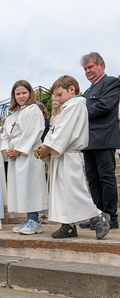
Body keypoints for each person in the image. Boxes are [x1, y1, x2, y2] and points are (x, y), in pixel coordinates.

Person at [37, 75, 110, 239]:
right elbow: (57, 129)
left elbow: (65, 129)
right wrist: (48, 145)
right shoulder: (68, 106)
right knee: (62, 192)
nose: (57, 99)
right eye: (55, 96)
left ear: (71, 89)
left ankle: (99, 217)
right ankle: (68, 226)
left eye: (59, 94)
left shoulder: (76, 104)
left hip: (68, 154)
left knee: (74, 190)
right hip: (60, 153)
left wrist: (49, 146)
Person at [79, 52, 120, 230]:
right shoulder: (87, 91)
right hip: (88, 141)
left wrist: (78, 115)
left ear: (101, 65)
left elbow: (104, 106)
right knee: (93, 180)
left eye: (91, 67)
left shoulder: (111, 82)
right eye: (85, 68)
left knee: (106, 178)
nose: (88, 71)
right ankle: (97, 215)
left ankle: (110, 216)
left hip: (103, 139)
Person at [2, 80, 47, 235]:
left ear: (30, 93)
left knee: (31, 184)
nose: (21, 96)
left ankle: (35, 220)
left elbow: (33, 131)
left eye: (24, 93)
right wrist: (7, 149)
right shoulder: (12, 115)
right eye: (18, 93)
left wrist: (18, 150)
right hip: (15, 154)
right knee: (21, 186)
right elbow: (6, 135)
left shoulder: (34, 109)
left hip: (29, 152)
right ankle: (29, 219)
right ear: (14, 96)